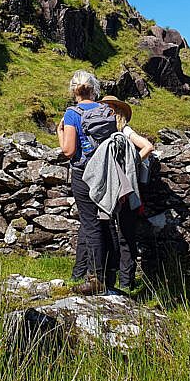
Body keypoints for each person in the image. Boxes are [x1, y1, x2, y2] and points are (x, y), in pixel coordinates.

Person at [57, 70, 117, 295]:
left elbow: (68, 150)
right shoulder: (107, 110)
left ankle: (95, 279)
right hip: (106, 172)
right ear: (93, 88)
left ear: (74, 90)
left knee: (91, 225)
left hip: (84, 173)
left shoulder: (73, 113)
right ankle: (111, 276)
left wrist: (59, 132)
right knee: (107, 223)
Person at [100, 95, 153, 292]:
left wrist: (131, 164)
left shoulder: (125, 131)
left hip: (126, 189)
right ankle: (113, 280)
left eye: (108, 108)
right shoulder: (106, 131)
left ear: (115, 111)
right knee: (112, 234)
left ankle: (126, 282)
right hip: (112, 188)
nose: (105, 111)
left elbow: (148, 146)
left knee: (125, 235)